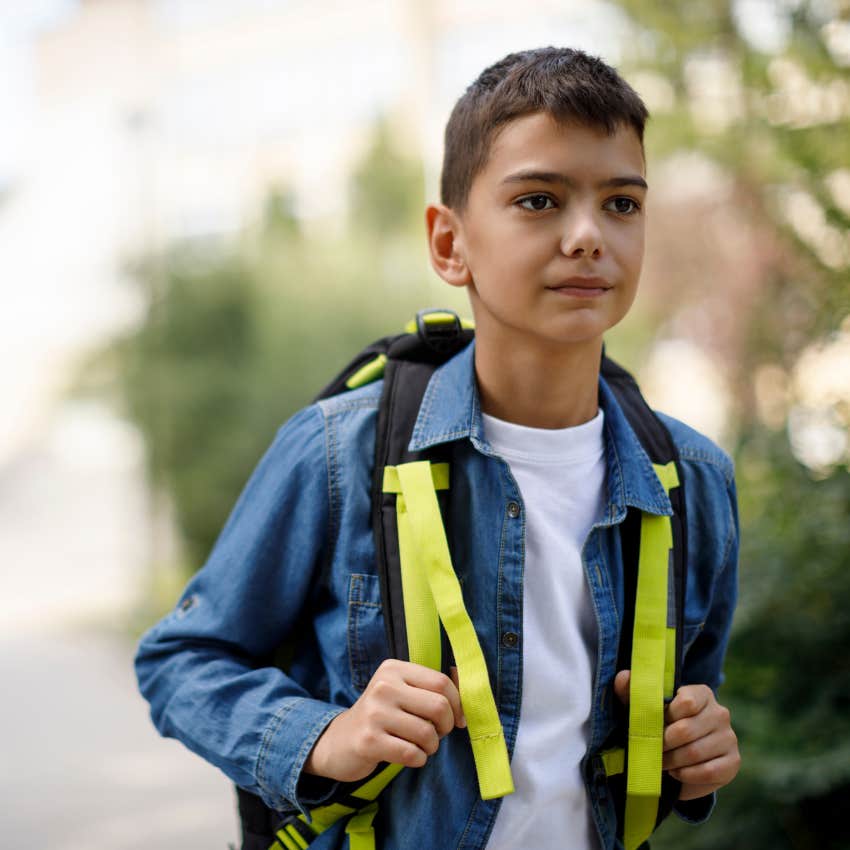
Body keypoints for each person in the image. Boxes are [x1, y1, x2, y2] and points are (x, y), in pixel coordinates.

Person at [135, 46, 740, 850]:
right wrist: (323, 739)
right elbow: (181, 660)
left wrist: (696, 752)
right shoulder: (337, 455)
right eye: (538, 200)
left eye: (622, 203)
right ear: (450, 243)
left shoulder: (693, 480)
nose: (589, 235)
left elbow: (689, 702)